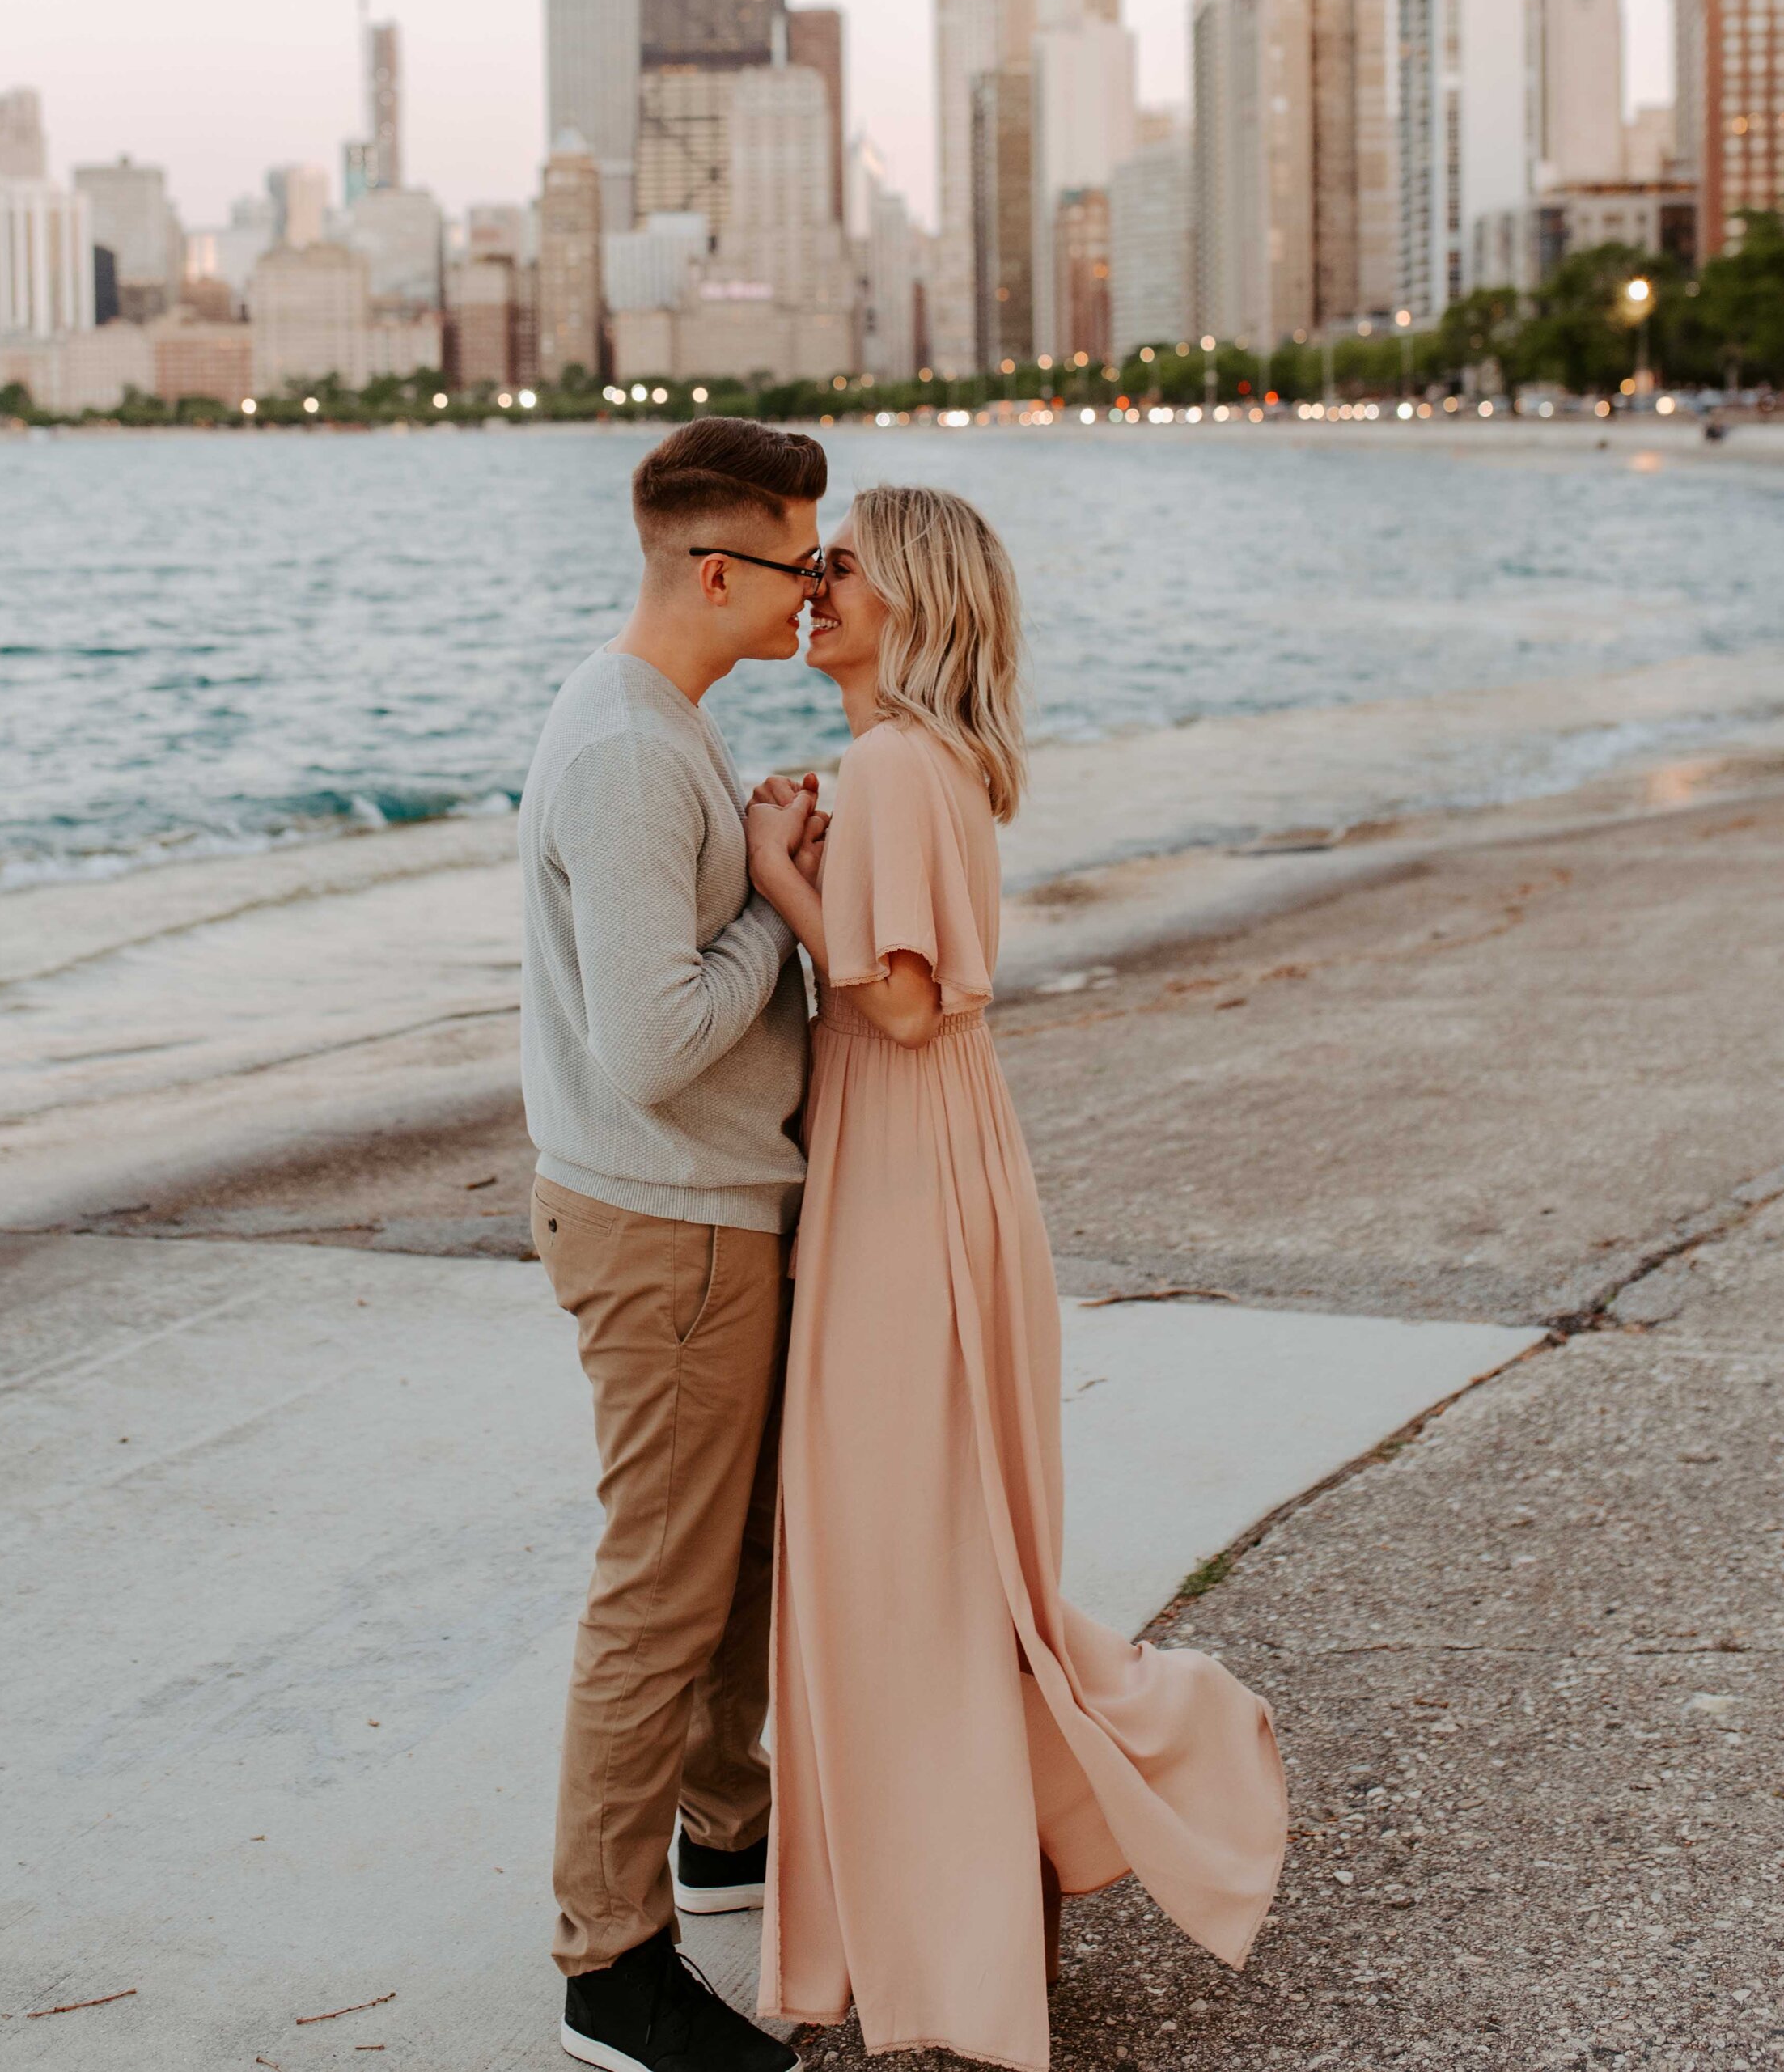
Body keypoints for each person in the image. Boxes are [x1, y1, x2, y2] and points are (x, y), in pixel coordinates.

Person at [745, 485, 1288, 2072]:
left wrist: (782, 868)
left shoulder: (892, 763)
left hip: (905, 1178)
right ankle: (974, 1950)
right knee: (934, 1574)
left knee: (901, 1572)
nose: (810, 582)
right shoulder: (923, 769)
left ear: (912, 596)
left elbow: (897, 1007)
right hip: (931, 1170)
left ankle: (1124, 1801)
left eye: (840, 563)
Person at [519, 416, 832, 2072]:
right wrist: (780, 897)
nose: (816, 588)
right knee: (659, 1591)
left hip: (696, 1211)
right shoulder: (634, 750)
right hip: (667, 1226)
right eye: (800, 558)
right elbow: (651, 1039)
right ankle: (606, 1963)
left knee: (732, 1567)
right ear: (719, 569)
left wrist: (757, 861)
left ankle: (723, 1840)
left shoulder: (663, 722)